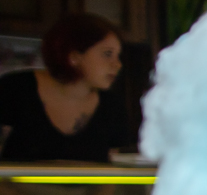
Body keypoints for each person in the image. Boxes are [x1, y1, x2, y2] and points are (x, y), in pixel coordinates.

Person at [0, 13, 132, 163]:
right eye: (107, 54)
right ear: (74, 56)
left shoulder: (113, 107)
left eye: (117, 55)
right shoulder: (15, 89)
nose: (117, 64)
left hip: (88, 188)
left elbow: (113, 173)